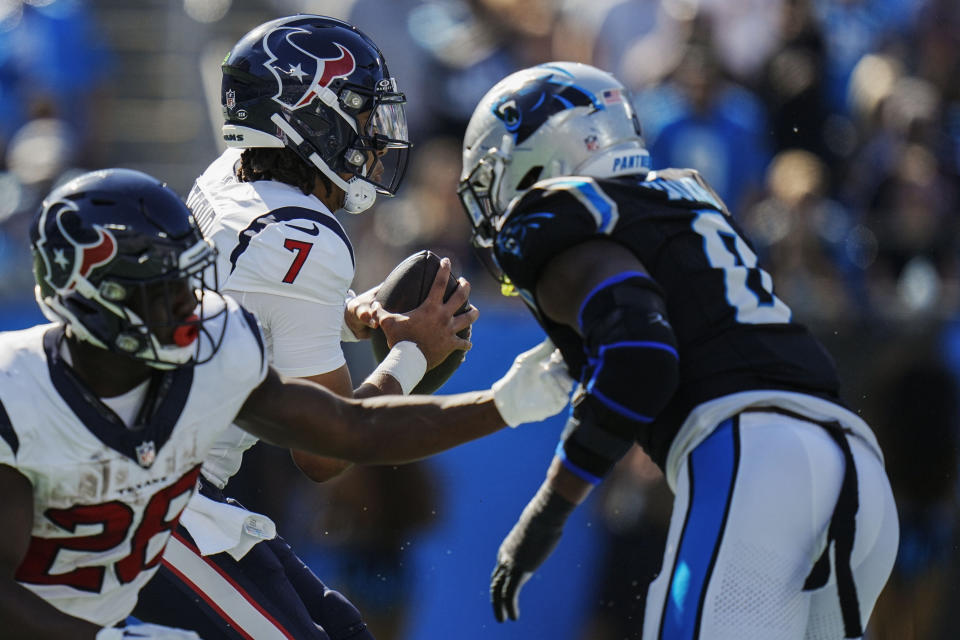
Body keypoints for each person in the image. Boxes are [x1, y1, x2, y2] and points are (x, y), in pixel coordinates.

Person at [0, 167, 573, 639]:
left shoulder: (215, 341)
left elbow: (346, 431)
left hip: (164, 540)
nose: (188, 302)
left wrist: (505, 404)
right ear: (95, 297)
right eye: (163, 287)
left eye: (190, 280)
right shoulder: (18, 390)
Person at [457, 61, 899, 639]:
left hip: (754, 459)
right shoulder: (685, 201)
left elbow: (641, 352)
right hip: (856, 462)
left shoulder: (565, 221)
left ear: (544, 154)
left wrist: (548, 512)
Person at [131, 15, 465, 640]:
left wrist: (347, 313)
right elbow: (327, 448)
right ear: (307, 115)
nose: (373, 138)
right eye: (361, 116)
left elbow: (251, 301)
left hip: (161, 477)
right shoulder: (299, 231)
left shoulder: (231, 174)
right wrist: (412, 355)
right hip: (153, 501)